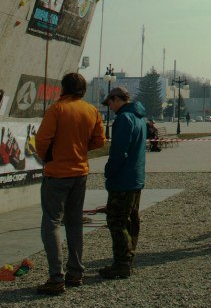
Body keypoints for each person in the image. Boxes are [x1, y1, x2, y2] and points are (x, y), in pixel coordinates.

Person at [33, 72, 106, 295]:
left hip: (56, 174)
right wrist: (80, 151)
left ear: (63, 88)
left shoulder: (57, 109)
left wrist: (48, 157)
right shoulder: (91, 110)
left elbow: (42, 140)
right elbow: (99, 140)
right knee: (74, 223)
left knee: (51, 224)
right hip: (80, 173)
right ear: (82, 90)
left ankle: (56, 277)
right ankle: (75, 272)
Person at [99, 86, 147, 279]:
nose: (109, 107)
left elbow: (119, 152)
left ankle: (121, 263)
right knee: (131, 220)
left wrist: (109, 172)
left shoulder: (124, 119)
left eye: (110, 102)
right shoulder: (140, 117)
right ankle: (128, 257)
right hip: (136, 178)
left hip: (122, 180)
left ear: (118, 99)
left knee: (117, 221)